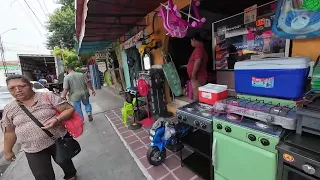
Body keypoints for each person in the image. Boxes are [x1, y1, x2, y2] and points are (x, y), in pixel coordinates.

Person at [2, 75, 77, 180]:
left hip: (57, 140)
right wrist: (8, 151)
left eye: (22, 86)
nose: (17, 90)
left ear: (30, 85)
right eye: (12, 88)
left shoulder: (47, 96)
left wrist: (57, 120)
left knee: (65, 162)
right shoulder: (9, 109)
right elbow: (9, 132)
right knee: (42, 175)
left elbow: (69, 109)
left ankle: (71, 175)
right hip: (32, 148)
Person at [187, 33, 208, 100]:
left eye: (191, 41)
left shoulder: (199, 49)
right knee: (198, 95)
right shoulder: (200, 49)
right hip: (199, 76)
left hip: (198, 76)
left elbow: (198, 61)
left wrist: (193, 74)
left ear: (194, 40)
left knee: (197, 96)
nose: (191, 43)